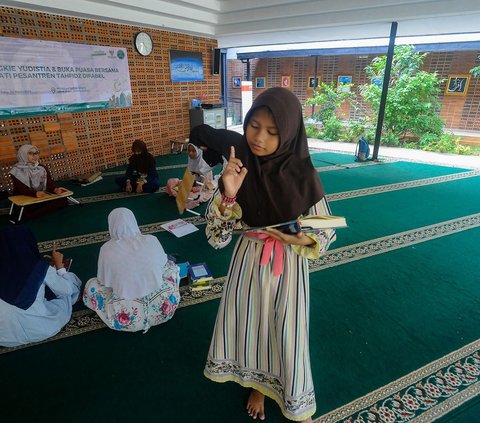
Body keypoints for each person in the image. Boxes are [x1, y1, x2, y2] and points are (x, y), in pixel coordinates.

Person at [203, 88, 337, 422]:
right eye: (254, 126)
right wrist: (228, 195)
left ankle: (297, 403)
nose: (259, 138)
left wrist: (302, 239)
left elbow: (329, 228)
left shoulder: (304, 175)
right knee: (252, 326)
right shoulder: (238, 170)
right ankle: (258, 387)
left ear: (289, 133)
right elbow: (216, 238)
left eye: (273, 132)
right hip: (248, 264)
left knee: (287, 331)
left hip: (288, 268)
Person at [83, 207, 180, 333]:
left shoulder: (106, 249)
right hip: (164, 309)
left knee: (92, 284)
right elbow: (163, 266)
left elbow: (103, 281)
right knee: (171, 266)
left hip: (127, 319)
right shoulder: (151, 239)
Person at [0, 225, 82, 347]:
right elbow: (67, 290)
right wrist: (59, 266)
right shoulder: (37, 268)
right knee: (70, 288)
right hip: (41, 328)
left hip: (5, 337)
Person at [9, 144, 69, 219]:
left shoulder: (42, 168)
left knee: (63, 200)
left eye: (36, 153)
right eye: (31, 153)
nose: (35, 156)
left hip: (41, 195)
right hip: (26, 197)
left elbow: (49, 182)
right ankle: (29, 214)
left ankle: (32, 214)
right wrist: (35, 193)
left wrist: (55, 189)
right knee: (25, 208)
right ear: (23, 154)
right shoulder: (16, 171)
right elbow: (23, 190)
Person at [166, 143, 215, 208]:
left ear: (199, 152)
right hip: (192, 185)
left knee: (190, 196)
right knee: (170, 182)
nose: (190, 153)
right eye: (189, 151)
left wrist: (192, 188)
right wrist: (183, 184)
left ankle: (187, 200)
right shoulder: (191, 161)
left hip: (202, 190)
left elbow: (207, 186)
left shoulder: (205, 166)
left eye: (193, 151)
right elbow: (188, 177)